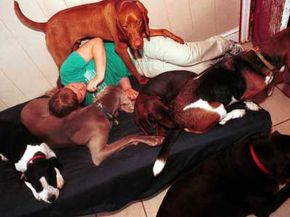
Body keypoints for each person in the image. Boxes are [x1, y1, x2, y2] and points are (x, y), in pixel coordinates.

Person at [128, 35, 243, 78]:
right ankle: (223, 58)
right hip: (136, 68)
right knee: (200, 69)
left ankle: (227, 44)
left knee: (187, 57)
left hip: (135, 42)